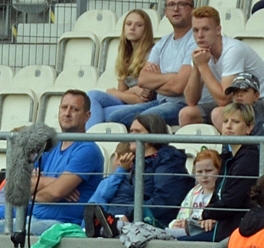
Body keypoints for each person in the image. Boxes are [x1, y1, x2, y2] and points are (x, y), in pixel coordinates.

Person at [180, 6, 264, 128]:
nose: (200, 35)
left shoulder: (232, 50)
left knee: (219, 114)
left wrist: (203, 65)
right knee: (187, 114)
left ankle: (230, 141)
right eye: (195, 30)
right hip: (235, 102)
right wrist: (196, 67)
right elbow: (190, 100)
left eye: (206, 29)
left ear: (218, 30)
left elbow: (224, 99)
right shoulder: (200, 54)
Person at [91, 113, 193, 226]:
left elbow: (163, 200)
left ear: (153, 134)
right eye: (131, 131)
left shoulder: (169, 162)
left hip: (145, 223)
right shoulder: (131, 163)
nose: (132, 136)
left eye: (137, 131)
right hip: (118, 218)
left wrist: (129, 216)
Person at [106, 0, 196, 127]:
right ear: (165, 12)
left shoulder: (196, 40)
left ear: (192, 10)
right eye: (171, 4)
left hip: (182, 105)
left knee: (142, 120)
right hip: (160, 101)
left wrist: (156, 81)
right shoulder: (163, 42)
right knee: (115, 118)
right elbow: (143, 80)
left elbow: (178, 87)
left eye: (182, 4)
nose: (176, 9)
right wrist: (173, 77)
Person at [184, 102, 261, 242]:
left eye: (235, 122)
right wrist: (209, 216)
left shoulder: (249, 159)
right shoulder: (228, 158)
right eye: (225, 121)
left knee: (176, 244)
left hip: (239, 231)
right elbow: (217, 197)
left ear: (249, 127)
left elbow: (232, 201)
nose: (228, 126)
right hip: (223, 226)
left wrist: (206, 214)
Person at [28, 90, 103, 233]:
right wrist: (54, 183)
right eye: (64, 107)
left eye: (74, 109)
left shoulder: (87, 149)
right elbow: (24, 184)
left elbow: (56, 192)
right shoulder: (50, 146)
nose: (67, 113)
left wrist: (35, 192)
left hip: (65, 225)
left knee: (15, 235)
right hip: (34, 218)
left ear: (87, 116)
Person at [87, 9, 156, 126]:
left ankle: (89, 136)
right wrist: (133, 90)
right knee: (92, 96)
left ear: (146, 30)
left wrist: (113, 92)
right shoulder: (125, 54)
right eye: (128, 24)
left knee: (100, 111)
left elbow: (142, 99)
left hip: (147, 107)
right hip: (128, 103)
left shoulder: (152, 54)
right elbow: (122, 92)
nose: (132, 28)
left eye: (138, 25)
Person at [168, 148, 221, 236]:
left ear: (219, 170)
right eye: (199, 172)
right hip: (188, 230)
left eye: (208, 171)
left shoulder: (221, 193)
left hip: (206, 232)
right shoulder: (194, 192)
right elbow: (182, 215)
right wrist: (176, 223)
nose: (204, 176)